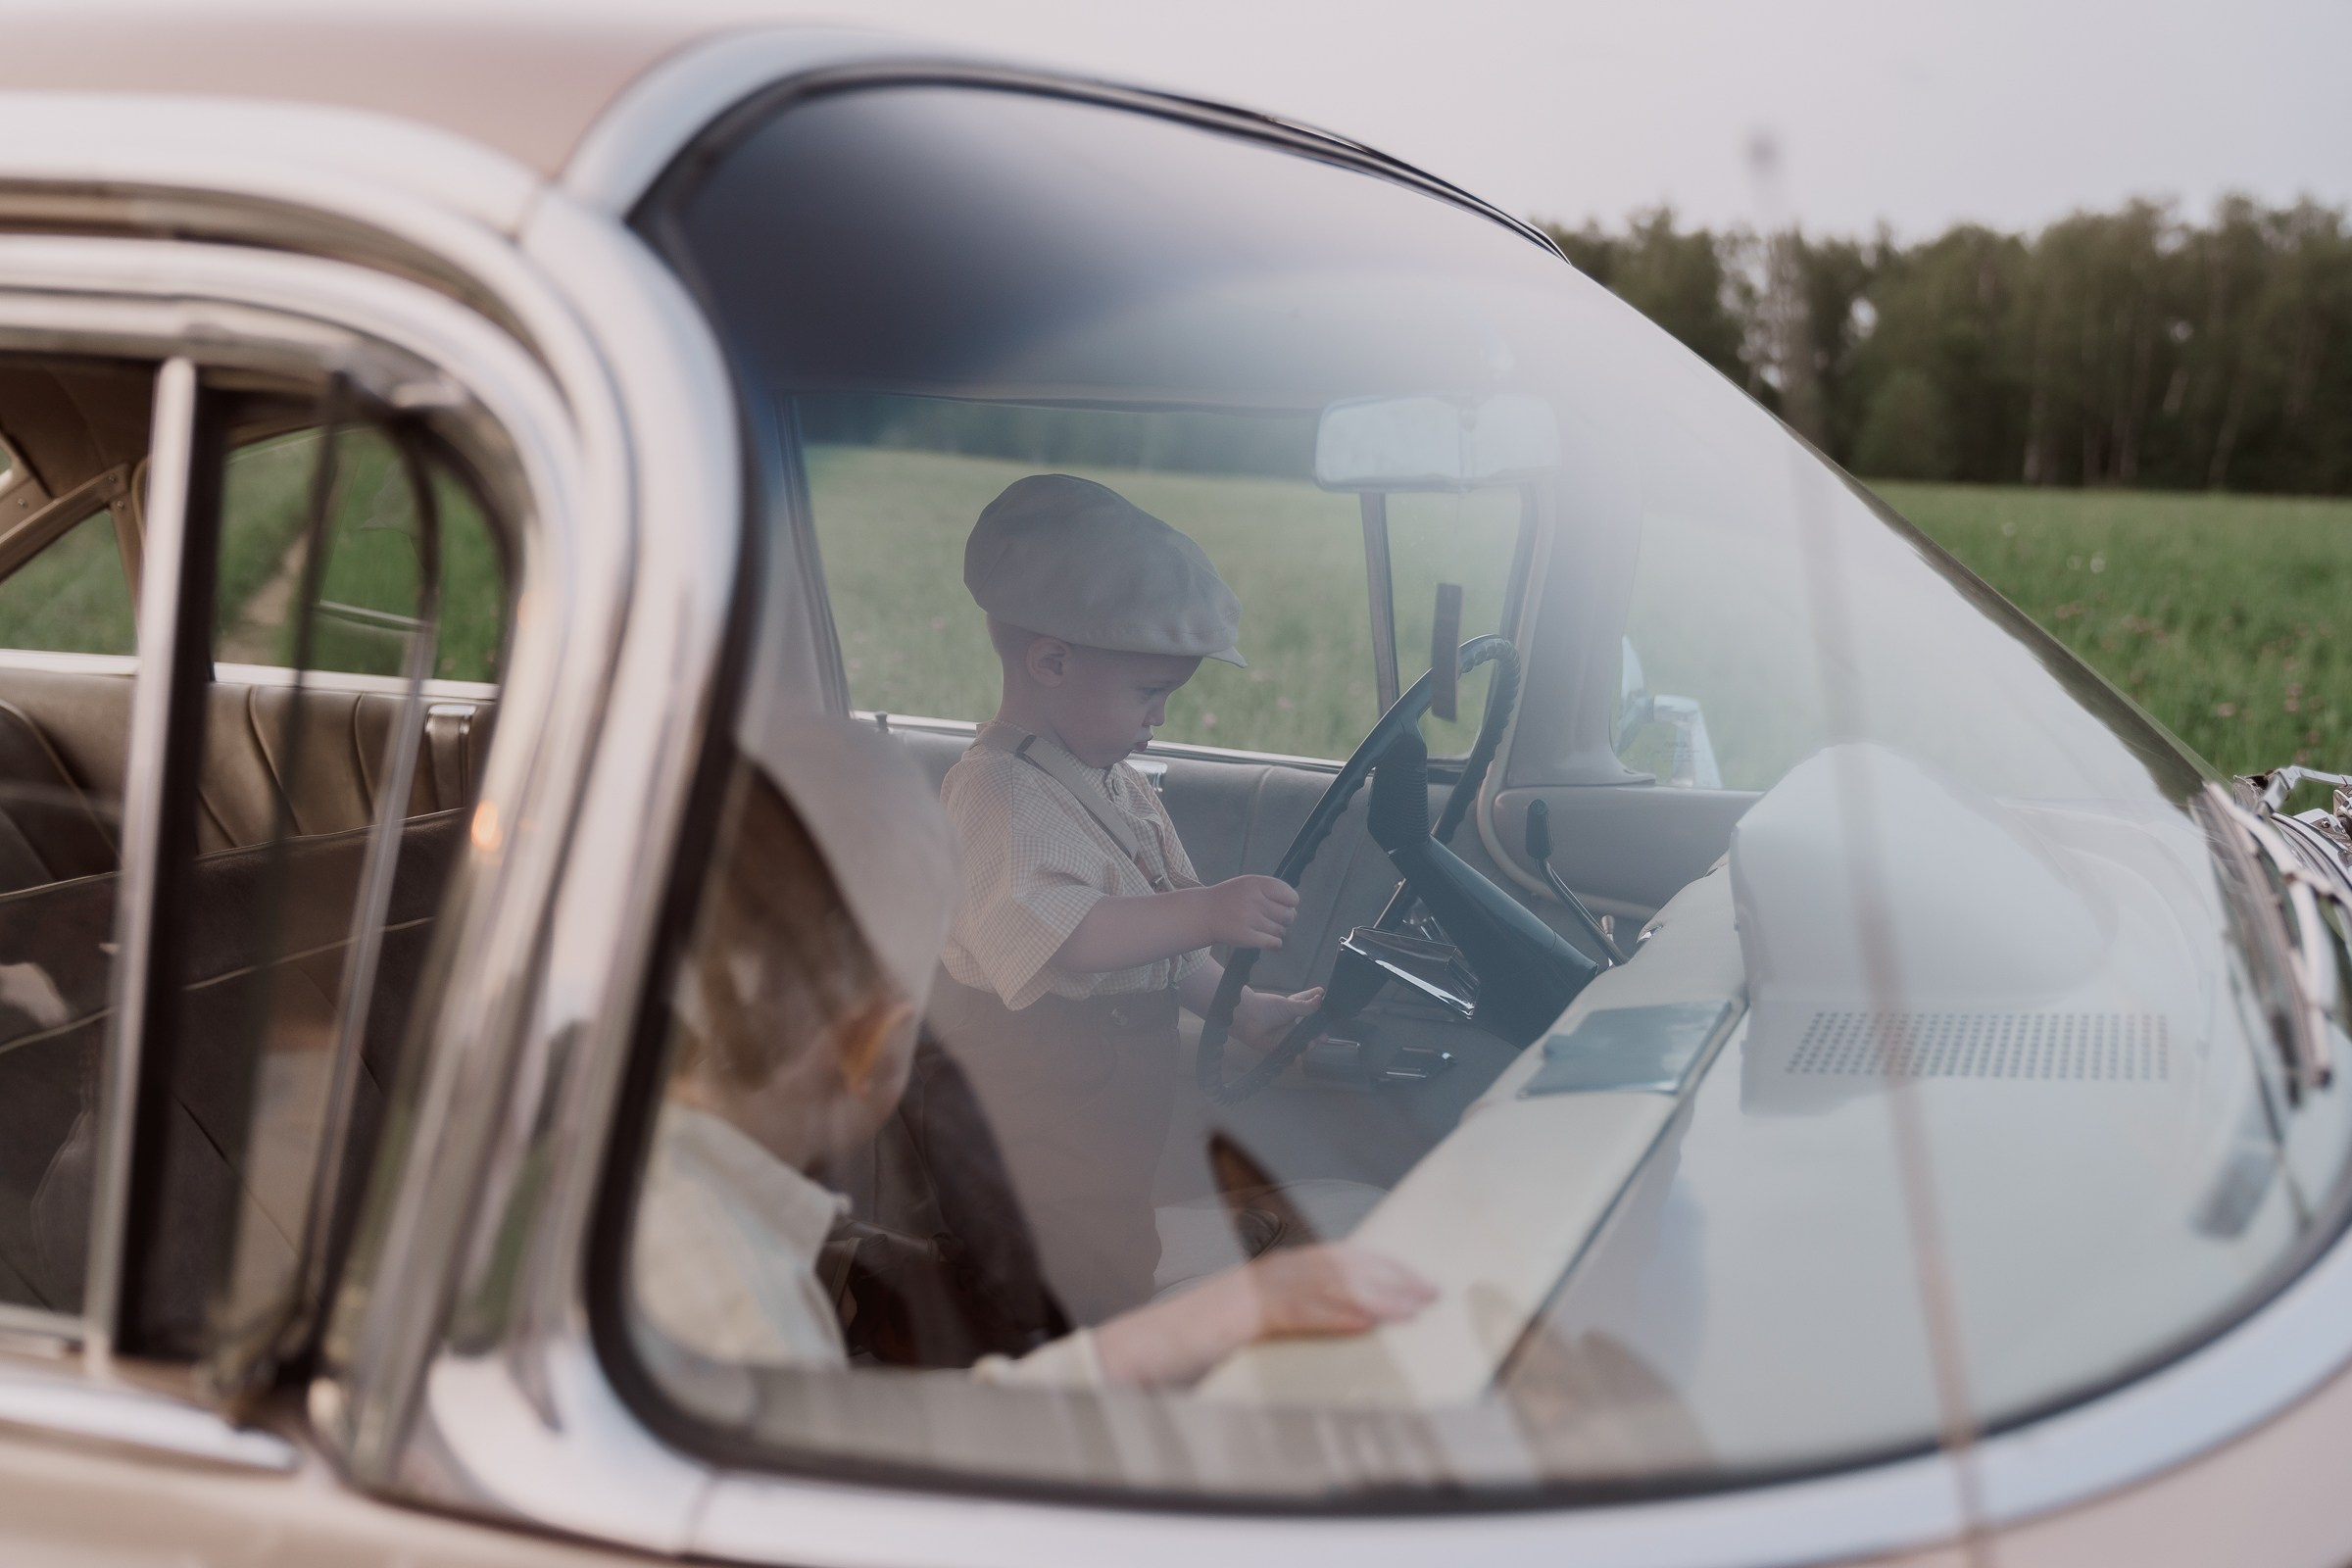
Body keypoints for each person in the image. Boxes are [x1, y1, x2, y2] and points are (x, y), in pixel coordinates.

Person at [631, 714, 1434, 1391]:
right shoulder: (738, 1310)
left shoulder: (679, 1191)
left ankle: (877, 1288)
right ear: (873, 1053)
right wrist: (1199, 1324)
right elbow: (911, 1476)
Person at [930, 473, 1338, 1323]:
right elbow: (1068, 936)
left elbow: (1153, 938)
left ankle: (1108, 1306)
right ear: (1051, 662)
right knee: (1070, 1245)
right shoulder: (998, 792)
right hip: (1038, 1076)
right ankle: (1077, 1358)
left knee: (1110, 1222)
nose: (1159, 718)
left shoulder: (1107, 780)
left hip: (1107, 1079)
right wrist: (1206, 910)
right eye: (1148, 694)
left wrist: (1246, 1009)